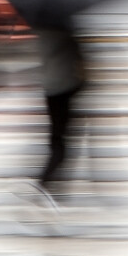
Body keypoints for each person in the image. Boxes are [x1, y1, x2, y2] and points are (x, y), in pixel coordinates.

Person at [33, 25, 87, 196]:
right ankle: (45, 182)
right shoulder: (66, 33)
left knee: (56, 138)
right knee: (61, 141)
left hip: (50, 89)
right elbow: (78, 60)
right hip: (65, 88)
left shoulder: (41, 32)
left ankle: (49, 182)